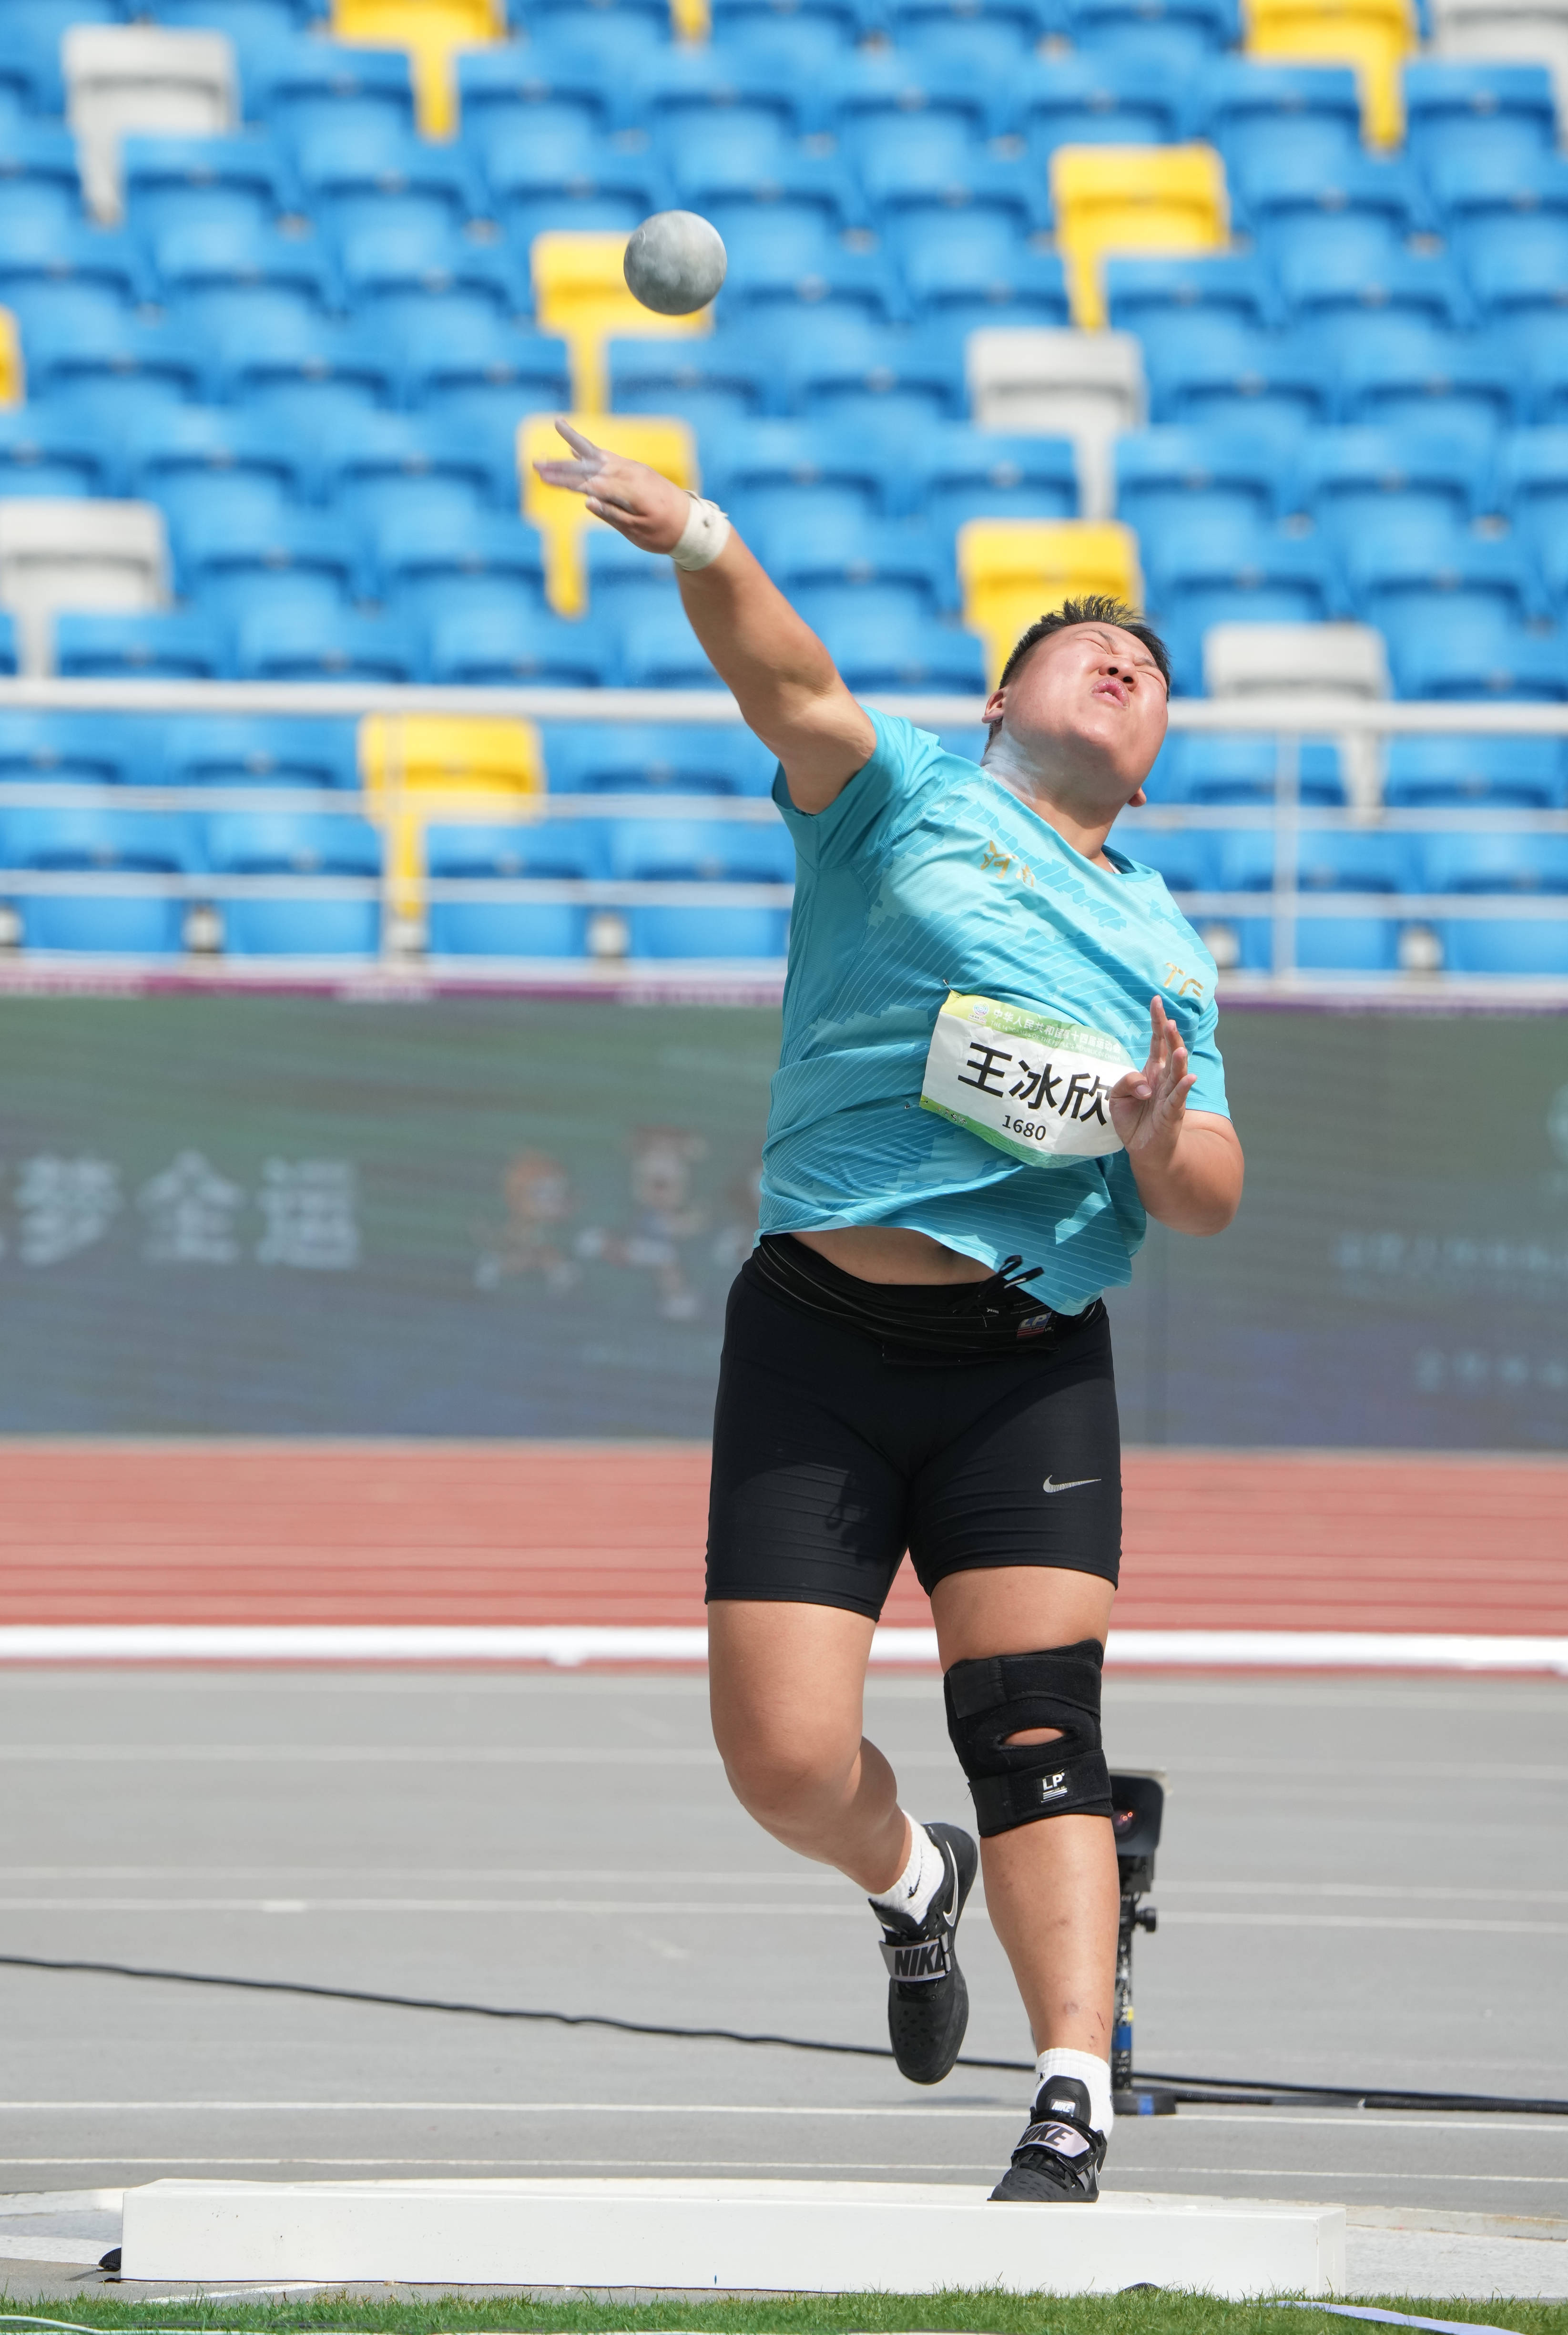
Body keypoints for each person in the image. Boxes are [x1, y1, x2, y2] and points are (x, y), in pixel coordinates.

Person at [536, 422, 1244, 2202]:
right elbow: (787, 679)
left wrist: (1160, 1133)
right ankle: (913, 1882)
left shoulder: (1166, 945)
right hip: (819, 1339)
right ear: (1001, 700)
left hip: (1024, 1364)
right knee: (780, 1758)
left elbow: (1213, 1187)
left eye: (1152, 674)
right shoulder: (901, 798)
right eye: (1092, 649)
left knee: (1036, 1725)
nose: (1127, 667)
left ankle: (1069, 2092)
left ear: (1154, 758)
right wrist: (697, 534)